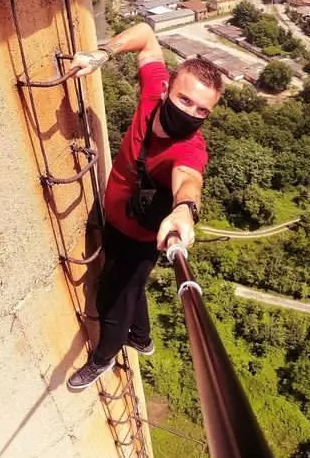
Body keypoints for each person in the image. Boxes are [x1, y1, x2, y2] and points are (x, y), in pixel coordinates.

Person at [66, 22, 223, 390]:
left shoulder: (188, 148)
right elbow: (147, 36)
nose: (191, 113)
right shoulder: (154, 93)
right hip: (117, 221)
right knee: (132, 288)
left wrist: (186, 209)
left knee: (113, 299)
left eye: (202, 110)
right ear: (169, 88)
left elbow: (189, 179)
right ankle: (142, 338)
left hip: (143, 238)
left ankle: (103, 358)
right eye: (185, 100)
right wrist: (101, 55)